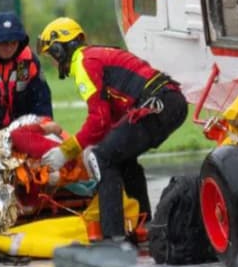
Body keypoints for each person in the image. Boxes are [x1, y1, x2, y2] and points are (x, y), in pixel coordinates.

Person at [35, 17, 188, 240]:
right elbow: (110, 121)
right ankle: (143, 224)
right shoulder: (96, 55)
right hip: (168, 101)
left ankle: (113, 238)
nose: (54, 62)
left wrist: (66, 151)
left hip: (156, 104)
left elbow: (98, 120)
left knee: (101, 158)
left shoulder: (84, 62)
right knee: (121, 157)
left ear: (60, 50)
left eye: (52, 55)